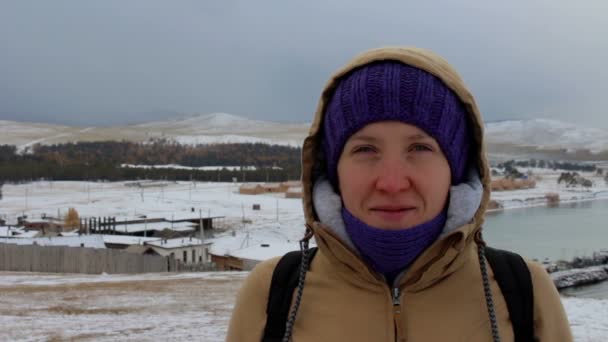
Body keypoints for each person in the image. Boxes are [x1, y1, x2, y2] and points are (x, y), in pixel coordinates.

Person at [227, 47, 572, 341]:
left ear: (456, 168)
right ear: (332, 170)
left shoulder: (524, 292)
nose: (392, 183)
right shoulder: (273, 293)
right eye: (365, 150)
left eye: (420, 147)